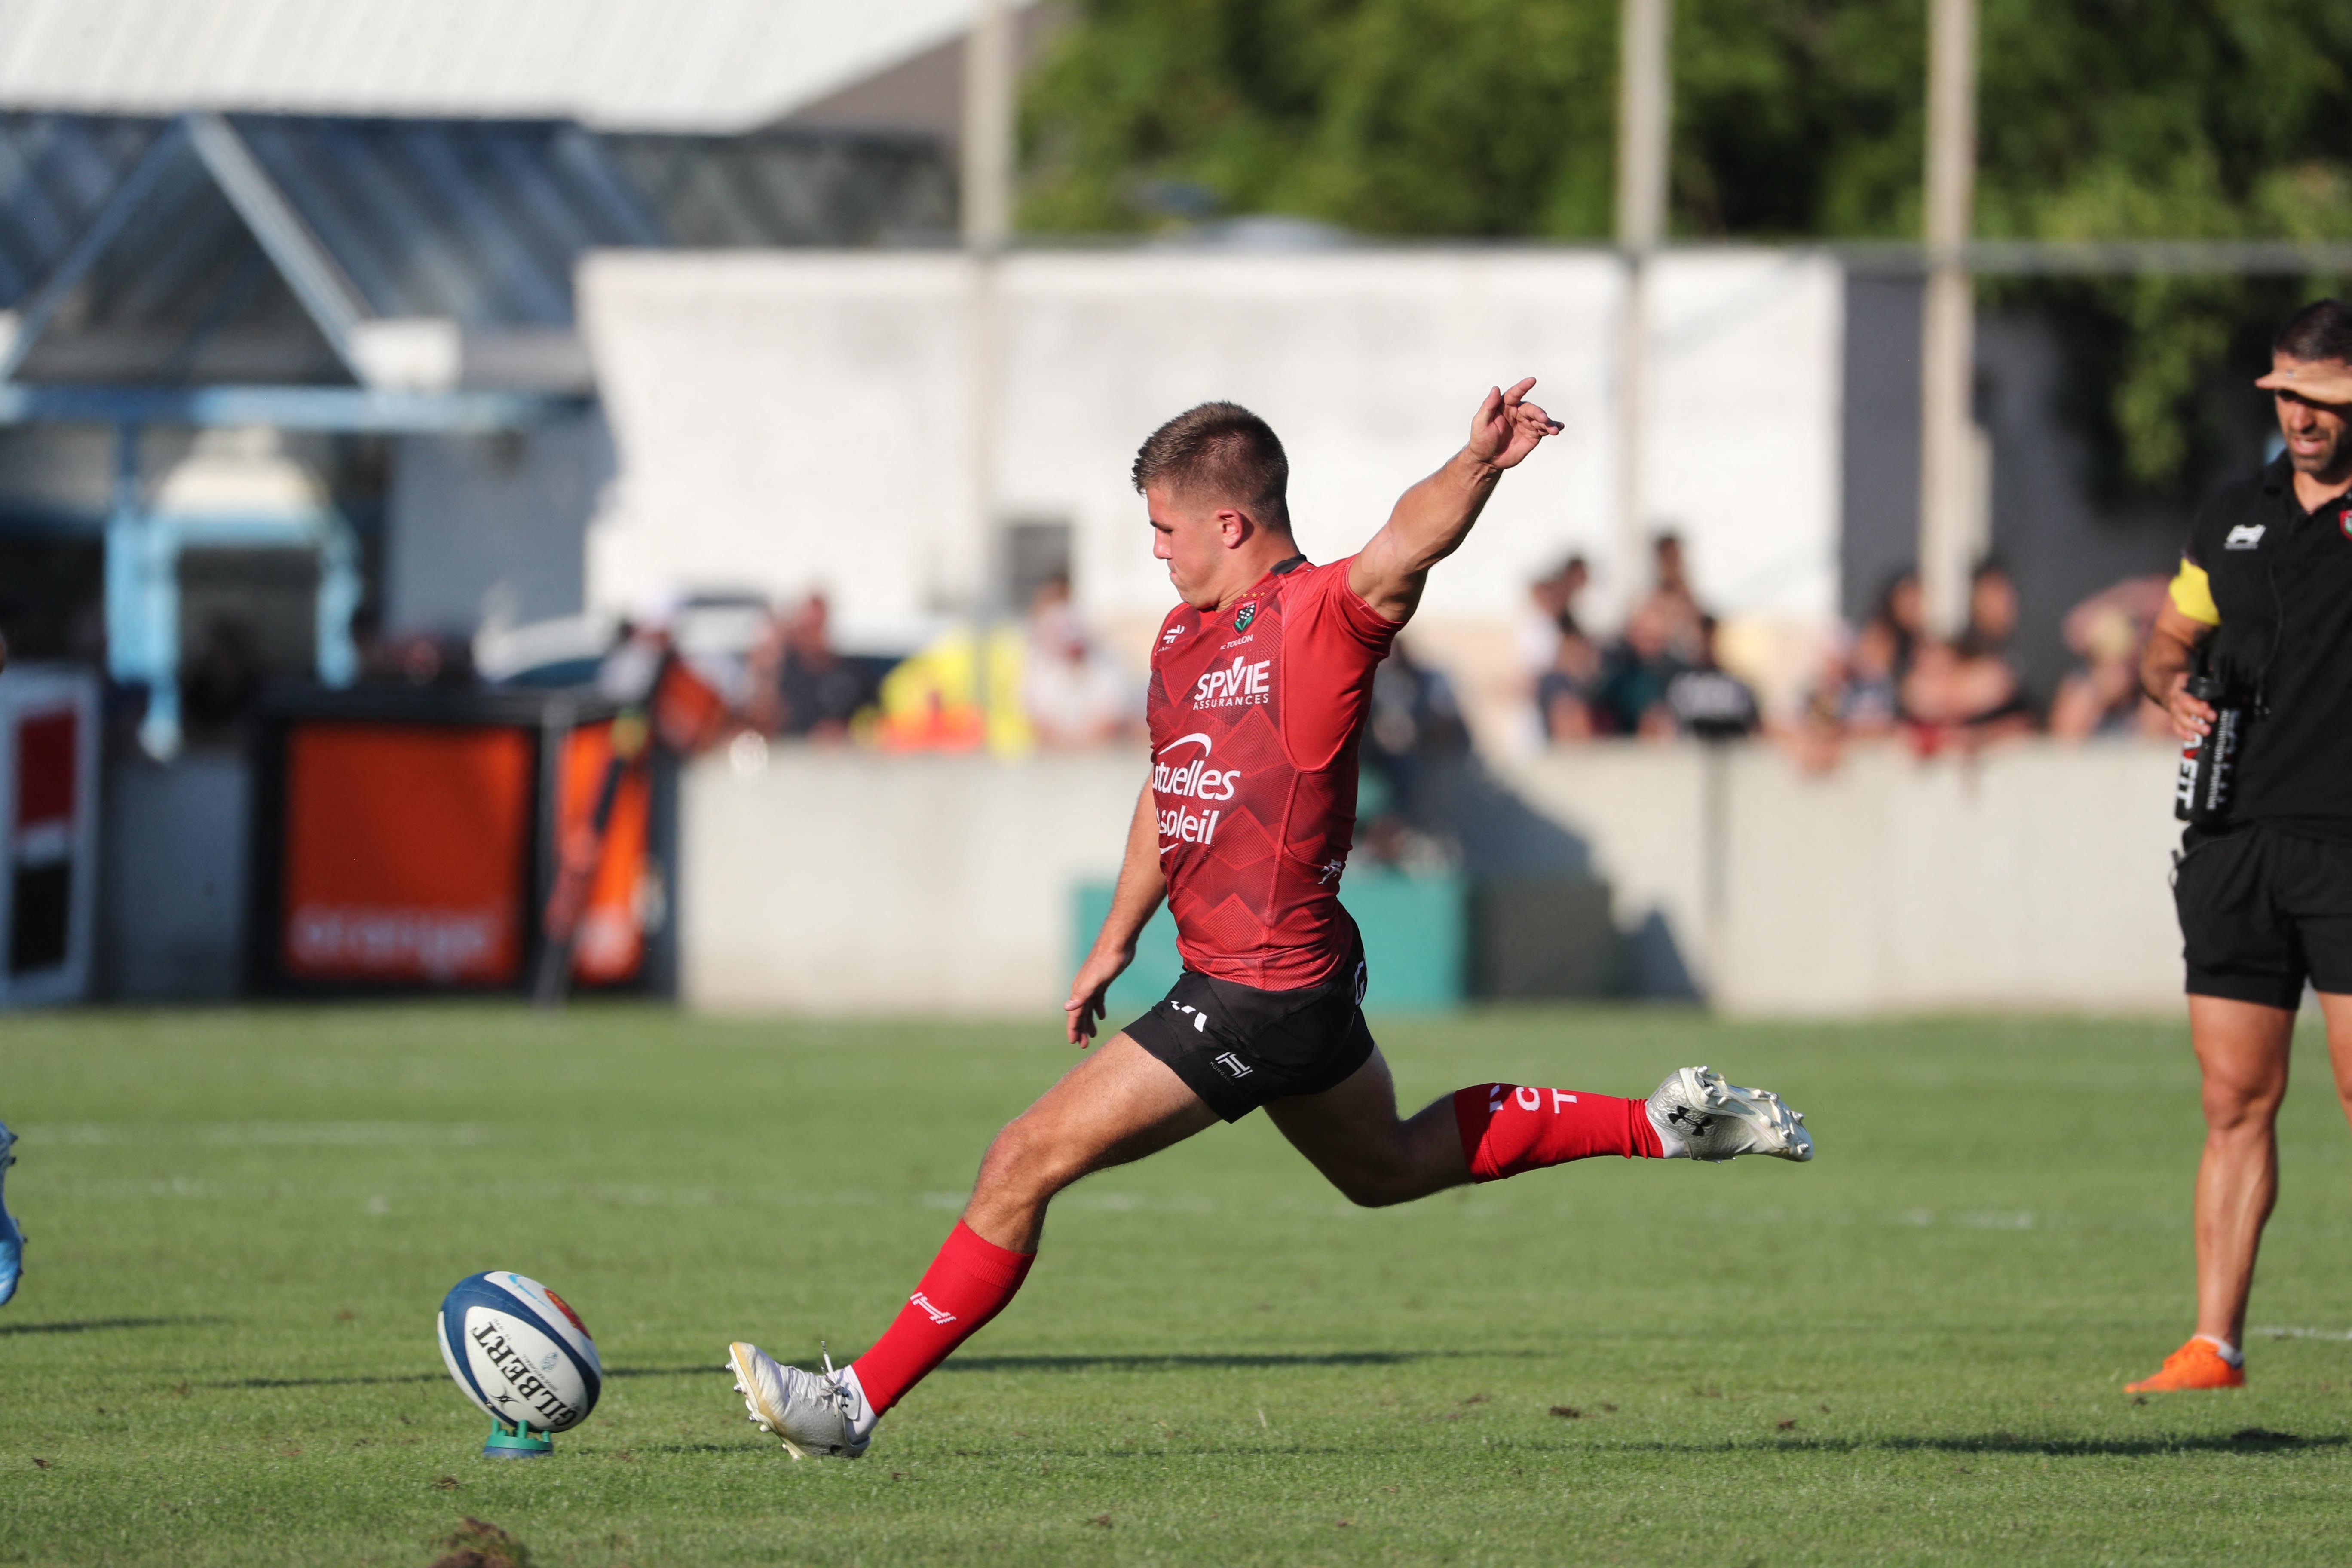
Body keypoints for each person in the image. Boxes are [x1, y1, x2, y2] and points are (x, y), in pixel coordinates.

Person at [723, 384, 1815, 1459]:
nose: (1155, 552)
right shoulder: (1180, 640)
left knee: (1021, 1159)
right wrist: (1117, 936)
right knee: (1385, 1166)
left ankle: (851, 1404)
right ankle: (1660, 1123)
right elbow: (1174, 784)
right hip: (1286, 982)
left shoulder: (1319, 621)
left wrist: (1478, 462)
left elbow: (1404, 545)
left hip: (1260, 990)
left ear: (1229, 523)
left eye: (1165, 529)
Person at [2129, 299, 2352, 1393]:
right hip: (2234, 843)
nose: (2302, 416)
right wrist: (2173, 689)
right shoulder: (2235, 512)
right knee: (2234, 1102)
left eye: (2323, 397)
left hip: (2350, 846)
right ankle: (2213, 1345)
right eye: (2286, 395)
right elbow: (2170, 640)